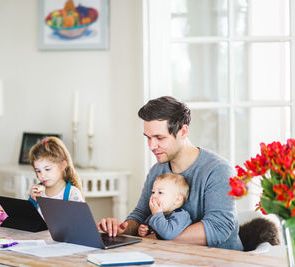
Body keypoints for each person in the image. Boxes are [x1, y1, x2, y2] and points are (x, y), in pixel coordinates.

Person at [97, 96, 244, 251]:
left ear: (183, 131)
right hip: (172, 258)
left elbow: (219, 227)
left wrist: (159, 238)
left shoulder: (218, 170)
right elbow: (141, 214)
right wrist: (122, 230)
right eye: (148, 138)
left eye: (160, 138)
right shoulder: (157, 170)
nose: (152, 146)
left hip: (220, 260)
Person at [28, 137, 84, 214]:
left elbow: (79, 221)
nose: (42, 175)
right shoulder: (39, 192)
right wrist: (32, 200)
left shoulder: (73, 193)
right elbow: (29, 218)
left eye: (47, 169)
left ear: (63, 165)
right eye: (38, 171)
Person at [138, 173, 192, 240]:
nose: (154, 196)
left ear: (177, 200)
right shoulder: (154, 215)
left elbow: (167, 234)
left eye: (160, 192)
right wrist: (143, 230)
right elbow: (149, 230)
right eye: (153, 192)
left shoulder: (181, 216)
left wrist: (157, 214)